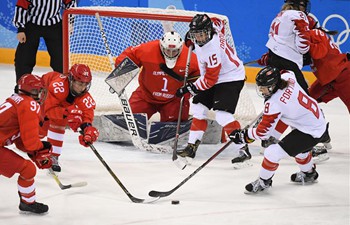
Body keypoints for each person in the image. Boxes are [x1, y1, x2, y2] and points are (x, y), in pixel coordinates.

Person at [229, 66, 330, 193]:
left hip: (310, 130)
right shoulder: (289, 78)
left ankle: (263, 182)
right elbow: (288, 70)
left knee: (272, 153)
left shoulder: (274, 103)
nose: (261, 90)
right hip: (316, 120)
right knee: (299, 150)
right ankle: (309, 173)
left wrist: (243, 135)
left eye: (264, 87)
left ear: (273, 86)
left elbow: (262, 132)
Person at [175, 14, 248, 165]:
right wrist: (191, 39)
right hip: (217, 76)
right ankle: (191, 146)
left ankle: (243, 148)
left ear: (208, 32)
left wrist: (191, 88)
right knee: (198, 108)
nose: (199, 38)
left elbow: (210, 80)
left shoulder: (212, 50)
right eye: (196, 35)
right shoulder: (213, 28)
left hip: (230, 78)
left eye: (201, 34)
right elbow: (219, 22)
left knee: (221, 115)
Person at [114, 31, 200, 122]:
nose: (171, 54)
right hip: (145, 95)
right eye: (168, 50)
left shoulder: (191, 59)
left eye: (174, 51)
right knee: (129, 121)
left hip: (174, 100)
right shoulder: (148, 50)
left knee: (175, 127)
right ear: (162, 47)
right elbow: (130, 55)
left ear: (180, 48)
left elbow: (200, 79)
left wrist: (188, 92)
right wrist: (120, 67)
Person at [0, 74, 53, 214]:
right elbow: (30, 143)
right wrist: (42, 148)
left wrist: (35, 154)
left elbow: (20, 141)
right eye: (38, 91)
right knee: (27, 169)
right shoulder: (29, 104)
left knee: (28, 168)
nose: (40, 94)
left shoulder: (17, 100)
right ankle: (27, 203)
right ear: (30, 91)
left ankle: (27, 202)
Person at [40, 64, 99, 172]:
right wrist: (68, 112)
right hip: (43, 92)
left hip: (58, 102)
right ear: (71, 80)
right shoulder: (57, 86)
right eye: (80, 83)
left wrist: (87, 129)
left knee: (59, 122)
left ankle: (53, 156)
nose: (82, 87)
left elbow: (87, 114)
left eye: (86, 84)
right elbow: (49, 111)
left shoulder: (84, 95)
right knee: (39, 130)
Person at [13, 0, 76, 91]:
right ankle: (21, 87)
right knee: (23, 58)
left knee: (60, 59)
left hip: (54, 25)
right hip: (32, 24)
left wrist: (70, 22)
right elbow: (22, 5)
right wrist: (21, 29)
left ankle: (63, 87)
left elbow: (71, 4)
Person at [257, 0, 311, 94]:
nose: (305, 8)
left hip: (273, 59)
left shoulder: (280, 15)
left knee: (274, 93)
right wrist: (304, 52)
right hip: (288, 62)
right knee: (303, 95)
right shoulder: (298, 15)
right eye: (303, 4)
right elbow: (303, 43)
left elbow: (273, 37)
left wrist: (270, 56)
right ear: (297, 4)